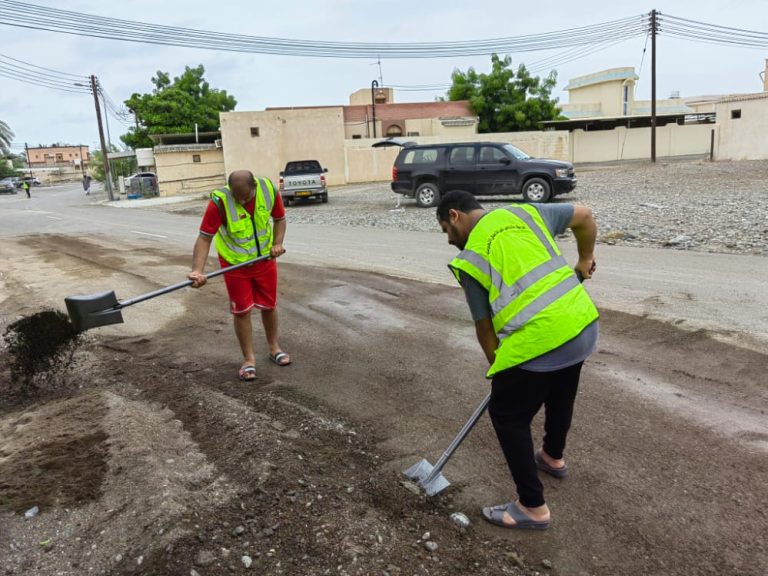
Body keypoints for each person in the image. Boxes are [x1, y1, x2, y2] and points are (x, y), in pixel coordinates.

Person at [436, 190, 599, 531]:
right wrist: (585, 259)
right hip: (581, 324)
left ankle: (532, 507)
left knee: (507, 414)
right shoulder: (525, 213)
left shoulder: (471, 259)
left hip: (542, 340)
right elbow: (584, 216)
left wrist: (499, 371)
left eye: (446, 231)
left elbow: (484, 329)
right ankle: (552, 457)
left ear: (454, 215)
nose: (450, 241)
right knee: (560, 391)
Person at [188, 170, 290, 381]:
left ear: (254, 187)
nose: (242, 201)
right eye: (238, 197)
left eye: (246, 196)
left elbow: (280, 219)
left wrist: (277, 243)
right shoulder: (219, 203)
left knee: (269, 306)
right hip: (235, 265)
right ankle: (249, 360)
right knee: (242, 310)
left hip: (264, 260)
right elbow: (205, 238)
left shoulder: (268, 190)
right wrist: (197, 270)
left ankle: (274, 348)